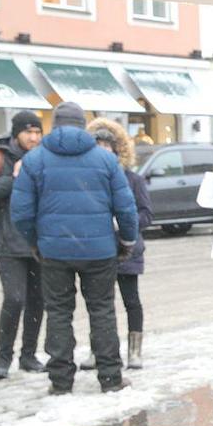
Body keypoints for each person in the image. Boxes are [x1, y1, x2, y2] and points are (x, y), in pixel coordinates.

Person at [11, 102, 139, 394]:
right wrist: (127, 241)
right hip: (100, 251)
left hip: (54, 252)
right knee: (102, 310)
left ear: (54, 125)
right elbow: (126, 208)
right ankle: (110, 377)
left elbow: (20, 212)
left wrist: (36, 241)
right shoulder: (104, 160)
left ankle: (60, 381)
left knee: (58, 312)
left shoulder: (35, 160)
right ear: (83, 126)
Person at [79, 119, 153, 371]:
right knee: (100, 303)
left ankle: (134, 351)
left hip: (127, 250)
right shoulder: (88, 180)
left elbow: (146, 214)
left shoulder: (132, 180)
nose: (103, 150)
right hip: (98, 250)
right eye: (97, 145)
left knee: (131, 301)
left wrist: (124, 224)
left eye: (106, 145)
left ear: (117, 148)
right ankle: (97, 349)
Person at [0, 111, 46, 380]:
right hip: (6, 242)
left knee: (38, 301)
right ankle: (3, 358)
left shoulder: (43, 157)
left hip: (37, 242)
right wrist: (15, 178)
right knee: (15, 299)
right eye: (29, 132)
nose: (34, 137)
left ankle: (29, 355)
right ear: (17, 134)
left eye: (38, 132)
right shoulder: (0, 157)